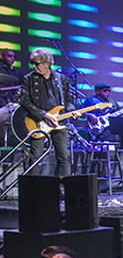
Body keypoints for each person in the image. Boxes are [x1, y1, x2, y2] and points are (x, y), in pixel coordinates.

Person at [19, 48, 71, 177]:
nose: (34, 66)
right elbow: (24, 101)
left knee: (63, 156)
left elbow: (67, 101)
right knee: (35, 157)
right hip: (38, 121)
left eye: (37, 64)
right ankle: (34, 186)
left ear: (47, 63)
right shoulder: (29, 79)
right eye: (32, 63)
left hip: (58, 121)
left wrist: (72, 111)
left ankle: (64, 186)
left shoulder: (61, 79)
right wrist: (44, 114)